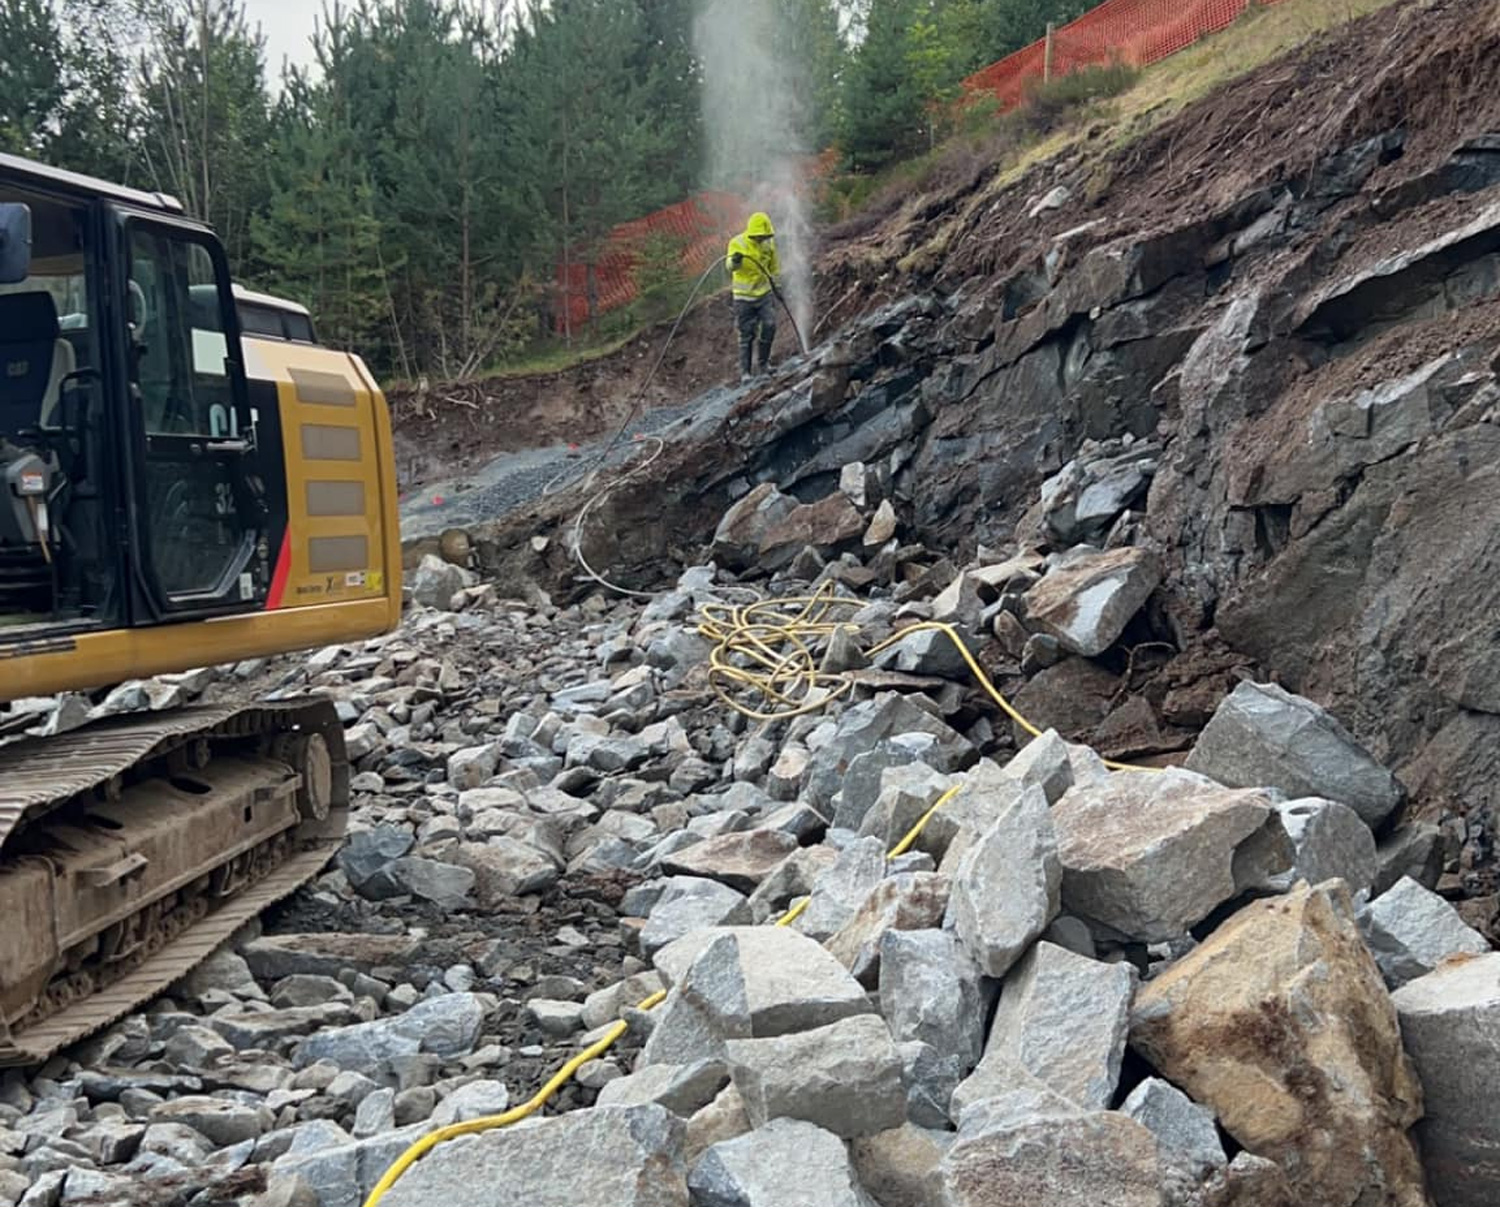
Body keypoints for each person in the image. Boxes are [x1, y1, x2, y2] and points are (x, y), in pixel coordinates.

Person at [725, 211, 781, 381]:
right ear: (752, 233)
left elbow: (774, 268)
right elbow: (730, 267)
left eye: (764, 236)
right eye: (759, 236)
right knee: (746, 333)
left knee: (770, 325)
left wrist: (777, 287)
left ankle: (763, 364)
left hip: (764, 295)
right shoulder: (737, 243)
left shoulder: (769, 244)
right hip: (743, 298)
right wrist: (735, 260)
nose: (761, 239)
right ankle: (746, 372)